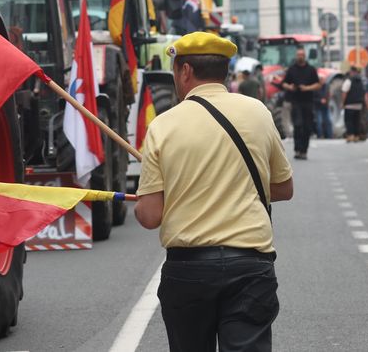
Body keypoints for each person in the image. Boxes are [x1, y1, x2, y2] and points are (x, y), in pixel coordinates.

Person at [135, 32, 294, 352]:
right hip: (250, 264)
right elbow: (283, 188)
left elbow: (150, 215)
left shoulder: (164, 126)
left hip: (189, 270)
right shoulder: (258, 112)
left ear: (185, 71)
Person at [281, 46, 322, 160]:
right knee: (298, 125)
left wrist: (307, 88)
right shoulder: (292, 69)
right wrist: (290, 87)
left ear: (305, 56)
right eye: (298, 55)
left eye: (302, 55)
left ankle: (304, 150)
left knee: (307, 127)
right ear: (296, 56)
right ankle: (297, 149)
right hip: (296, 101)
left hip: (308, 101)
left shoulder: (311, 69)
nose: (300, 57)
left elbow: (318, 84)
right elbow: (283, 83)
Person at [341, 66, 365, 142]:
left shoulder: (348, 81)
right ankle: (356, 135)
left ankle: (350, 135)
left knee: (349, 121)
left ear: (351, 72)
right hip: (359, 104)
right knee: (356, 121)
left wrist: (343, 103)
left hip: (349, 104)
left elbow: (344, 92)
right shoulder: (360, 81)